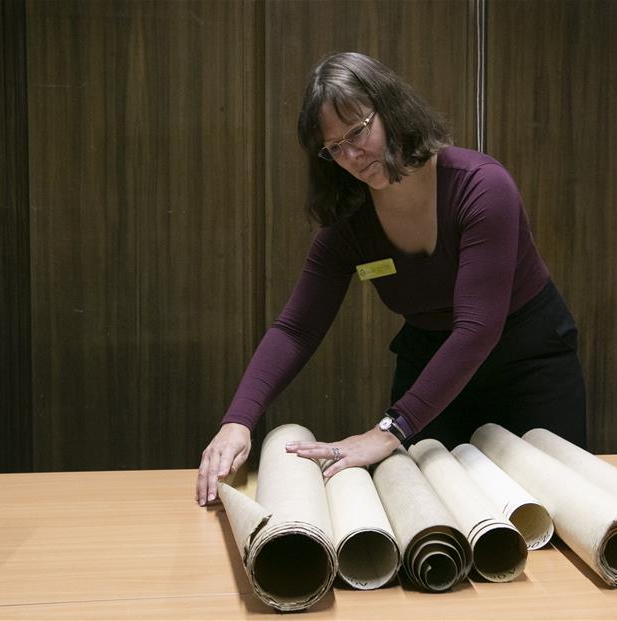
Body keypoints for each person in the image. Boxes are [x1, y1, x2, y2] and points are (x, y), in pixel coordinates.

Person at [196, 52, 585, 506]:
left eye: (357, 132)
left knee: (557, 509)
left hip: (527, 364)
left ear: (392, 110)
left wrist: (389, 429)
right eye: (334, 148)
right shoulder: (350, 225)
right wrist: (238, 420)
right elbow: (296, 328)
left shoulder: (481, 186)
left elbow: (478, 327)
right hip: (431, 368)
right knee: (432, 513)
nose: (351, 155)